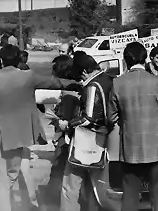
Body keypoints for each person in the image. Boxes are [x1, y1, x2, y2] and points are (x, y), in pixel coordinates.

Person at [0, 44, 82, 211]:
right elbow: (55, 83)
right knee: (10, 175)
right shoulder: (28, 77)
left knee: (0, 178)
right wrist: (77, 84)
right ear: (18, 60)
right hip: (17, 136)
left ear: (1, 61)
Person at [108, 42, 158, 211]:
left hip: (130, 148)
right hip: (157, 147)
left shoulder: (117, 83)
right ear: (145, 58)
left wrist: (126, 122)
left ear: (125, 61)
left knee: (130, 196)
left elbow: (111, 117)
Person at [60, 51, 114, 211]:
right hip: (105, 141)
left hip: (87, 142)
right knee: (95, 188)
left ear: (84, 71)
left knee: (70, 185)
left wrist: (68, 124)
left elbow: (88, 118)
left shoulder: (92, 86)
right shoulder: (108, 80)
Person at [45, 55, 82, 206]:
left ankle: (53, 202)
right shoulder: (78, 86)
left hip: (66, 138)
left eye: (54, 67)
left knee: (59, 170)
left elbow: (65, 117)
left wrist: (57, 133)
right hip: (74, 137)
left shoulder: (68, 90)